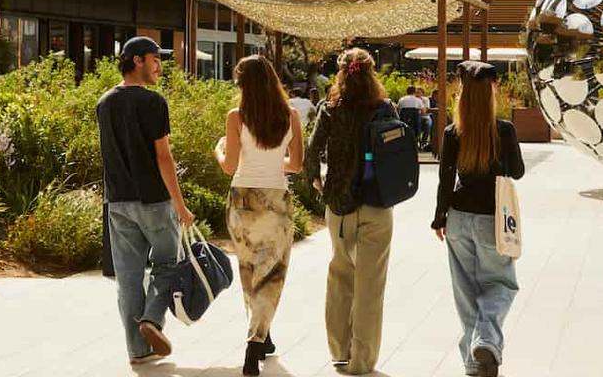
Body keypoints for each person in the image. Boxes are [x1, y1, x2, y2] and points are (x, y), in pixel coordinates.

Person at [96, 36, 195, 366]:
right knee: (170, 264)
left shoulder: (104, 102)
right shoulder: (153, 102)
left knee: (128, 279)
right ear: (137, 60)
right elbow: (163, 157)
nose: (159, 65)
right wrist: (180, 206)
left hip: (117, 203)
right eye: (155, 58)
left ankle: (138, 351)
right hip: (153, 200)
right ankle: (152, 321)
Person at [431, 61, 525, 377]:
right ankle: (486, 341)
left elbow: (445, 179)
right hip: (492, 220)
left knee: (465, 292)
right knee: (501, 283)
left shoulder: (452, 132)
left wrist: (439, 218)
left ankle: (474, 363)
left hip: (458, 217)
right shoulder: (504, 129)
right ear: (490, 91)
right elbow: (518, 172)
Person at [305, 48, 395, 375]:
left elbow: (311, 155)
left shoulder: (330, 109)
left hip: (340, 206)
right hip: (377, 204)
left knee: (341, 277)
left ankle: (339, 352)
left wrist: (318, 184)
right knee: (371, 286)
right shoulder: (385, 109)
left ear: (341, 74)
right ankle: (363, 361)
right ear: (371, 74)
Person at [214, 55, 304, 376]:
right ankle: (258, 341)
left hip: (242, 200)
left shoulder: (236, 117)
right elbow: (295, 166)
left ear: (243, 85)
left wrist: (219, 149)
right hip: (276, 200)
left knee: (251, 271)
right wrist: (272, 164)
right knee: (273, 272)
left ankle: (260, 335)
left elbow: (228, 166)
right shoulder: (290, 116)